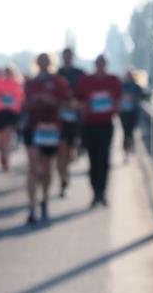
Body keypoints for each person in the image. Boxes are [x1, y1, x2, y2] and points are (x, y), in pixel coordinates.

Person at [23, 54, 72, 224]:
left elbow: (67, 103)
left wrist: (52, 101)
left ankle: (44, 200)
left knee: (47, 168)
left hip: (51, 129)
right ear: (36, 63)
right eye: (40, 62)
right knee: (33, 168)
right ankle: (31, 208)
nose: (43, 64)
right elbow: (24, 103)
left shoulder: (59, 82)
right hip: (33, 128)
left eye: (46, 61)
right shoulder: (30, 82)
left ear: (50, 63)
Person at [76, 55, 122, 206]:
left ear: (106, 65)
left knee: (104, 159)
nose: (100, 66)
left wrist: (114, 106)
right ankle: (95, 191)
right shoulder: (85, 81)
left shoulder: (113, 80)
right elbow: (78, 100)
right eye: (98, 63)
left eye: (103, 63)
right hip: (89, 125)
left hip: (106, 125)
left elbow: (119, 100)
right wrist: (85, 106)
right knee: (92, 160)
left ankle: (102, 192)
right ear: (95, 64)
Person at [56, 46, 86, 197]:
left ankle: (66, 170)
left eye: (69, 55)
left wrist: (77, 104)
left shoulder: (79, 74)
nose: (67, 58)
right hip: (59, 120)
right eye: (64, 55)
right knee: (61, 151)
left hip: (76, 120)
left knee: (70, 153)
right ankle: (63, 179)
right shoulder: (58, 74)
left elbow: (86, 94)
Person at [120, 69, 148, 163]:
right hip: (124, 113)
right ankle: (126, 152)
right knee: (126, 132)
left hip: (133, 112)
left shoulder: (137, 86)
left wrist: (133, 97)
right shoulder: (122, 85)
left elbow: (143, 96)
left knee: (130, 131)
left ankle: (130, 146)